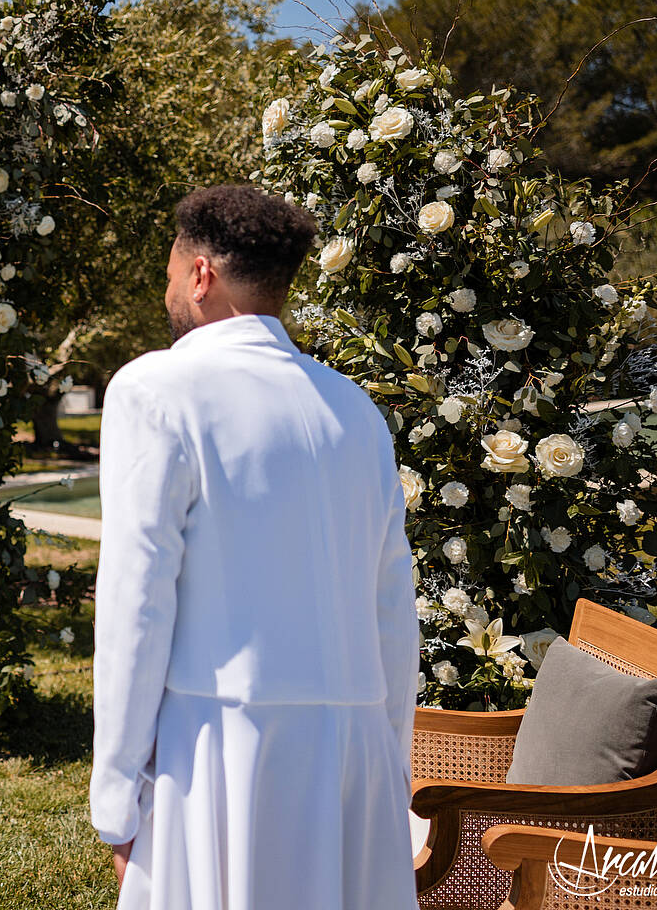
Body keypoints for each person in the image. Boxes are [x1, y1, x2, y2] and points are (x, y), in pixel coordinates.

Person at [89, 185, 419, 909]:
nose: (169, 289)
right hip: (355, 753)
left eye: (173, 273)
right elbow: (394, 603)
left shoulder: (155, 388)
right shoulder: (355, 410)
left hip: (219, 755)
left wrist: (115, 795)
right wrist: (390, 759)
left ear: (201, 274)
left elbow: (135, 602)